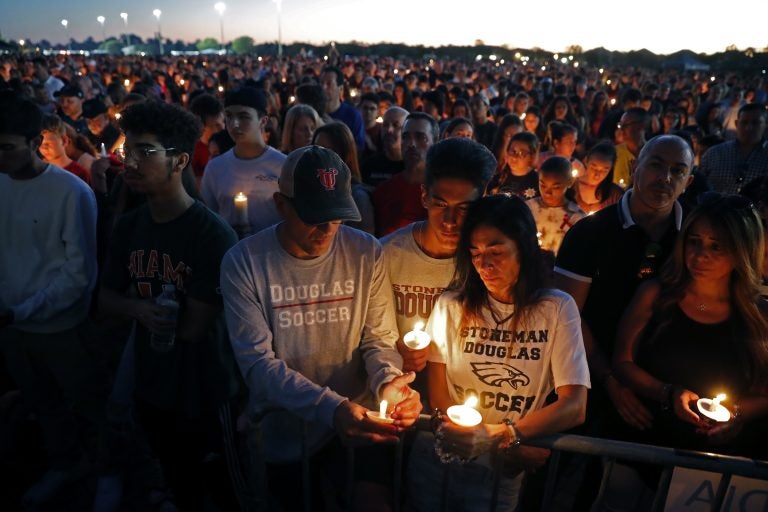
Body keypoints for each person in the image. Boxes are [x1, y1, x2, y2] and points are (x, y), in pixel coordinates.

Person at [220, 145, 421, 512]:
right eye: (314, 216)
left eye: (337, 216)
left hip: (360, 418)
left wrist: (389, 382)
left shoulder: (365, 252)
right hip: (285, 427)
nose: (328, 229)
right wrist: (330, 408)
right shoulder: (244, 262)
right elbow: (257, 364)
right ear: (282, 204)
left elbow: (378, 338)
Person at [98, 100, 242, 512]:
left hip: (206, 386)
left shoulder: (211, 234)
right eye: (130, 150)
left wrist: (137, 309)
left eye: (146, 152)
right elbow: (106, 297)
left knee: (224, 486)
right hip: (153, 380)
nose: (132, 161)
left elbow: (195, 328)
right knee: (178, 477)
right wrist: (140, 310)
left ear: (179, 161)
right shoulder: (129, 226)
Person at [406, 194, 589, 512]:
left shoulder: (556, 308)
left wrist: (506, 435)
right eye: (475, 252)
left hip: (503, 468)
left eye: (496, 251)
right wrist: (475, 441)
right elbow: (439, 397)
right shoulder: (451, 306)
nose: (483, 264)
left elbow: (575, 405)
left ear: (523, 249)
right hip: (440, 459)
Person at [609, 193, 768, 507]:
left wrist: (735, 415)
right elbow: (622, 360)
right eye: (694, 241)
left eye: (716, 246)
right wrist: (668, 393)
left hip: (714, 463)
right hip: (645, 441)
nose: (699, 255)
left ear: (742, 250)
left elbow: (765, 393)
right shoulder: (656, 294)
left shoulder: (759, 315)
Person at [0, 90, 104, 507]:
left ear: (32, 142)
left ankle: (107, 472)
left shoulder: (70, 193)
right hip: (12, 328)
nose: (0, 157)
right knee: (44, 404)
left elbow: (79, 273)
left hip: (60, 327)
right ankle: (65, 463)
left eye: (6, 148)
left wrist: (23, 309)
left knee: (87, 402)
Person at [381, 137, 495, 393]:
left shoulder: (488, 263)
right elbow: (369, 332)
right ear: (424, 196)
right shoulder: (387, 255)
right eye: (441, 204)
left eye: (464, 208)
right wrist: (393, 351)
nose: (450, 221)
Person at [200, 86, 286, 235]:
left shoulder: (282, 165)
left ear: (263, 121)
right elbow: (209, 217)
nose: (234, 124)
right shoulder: (215, 168)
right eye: (229, 116)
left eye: (243, 117)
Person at [372, 112, 438, 237]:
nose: (411, 143)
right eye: (406, 137)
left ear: (434, 143)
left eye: (420, 137)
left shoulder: (443, 192)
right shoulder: (384, 191)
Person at [312, 121, 374, 234]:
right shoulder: (310, 190)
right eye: (317, 149)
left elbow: (364, 246)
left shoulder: (358, 198)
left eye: (329, 151)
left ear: (345, 154)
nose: (321, 156)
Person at [699, 103, 768, 195]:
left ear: (765, 125)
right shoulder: (715, 153)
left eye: (755, 123)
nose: (748, 128)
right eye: (744, 122)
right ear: (736, 124)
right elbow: (699, 186)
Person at [526, 156, 585, 256]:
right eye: (543, 185)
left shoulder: (576, 217)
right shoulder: (527, 209)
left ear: (570, 182)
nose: (547, 192)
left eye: (556, 187)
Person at [568, 141, 624, 214]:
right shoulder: (571, 186)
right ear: (586, 161)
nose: (597, 175)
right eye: (594, 168)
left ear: (611, 169)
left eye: (604, 170)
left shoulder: (616, 195)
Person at [320, 66, 366, 150]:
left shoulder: (353, 116)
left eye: (329, 84)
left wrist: (337, 130)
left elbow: (358, 148)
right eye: (321, 83)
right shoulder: (315, 113)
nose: (323, 87)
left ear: (340, 89)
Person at [39, 113, 92, 185]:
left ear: (64, 141)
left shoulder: (79, 174)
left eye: (47, 144)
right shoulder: (39, 170)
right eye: (39, 144)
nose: (43, 149)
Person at [361, 106, 407, 187]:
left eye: (396, 125)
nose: (389, 130)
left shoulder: (412, 168)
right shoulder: (369, 164)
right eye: (385, 125)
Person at [486, 131, 540, 199]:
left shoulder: (538, 181)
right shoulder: (498, 178)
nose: (515, 157)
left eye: (522, 153)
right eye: (513, 151)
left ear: (531, 157)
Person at [189, 92, 225, 185]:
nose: (223, 128)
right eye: (216, 125)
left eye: (223, 122)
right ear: (201, 128)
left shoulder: (231, 145)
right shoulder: (192, 153)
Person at [613, 107, 650, 187]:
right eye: (620, 125)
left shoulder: (652, 154)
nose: (621, 129)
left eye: (625, 125)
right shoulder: (614, 153)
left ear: (642, 126)